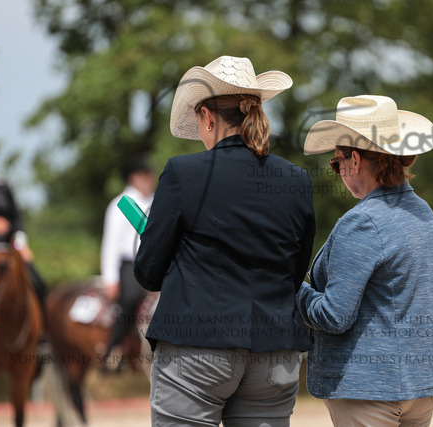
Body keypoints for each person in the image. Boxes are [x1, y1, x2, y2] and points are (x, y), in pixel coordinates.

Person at [133, 55, 316, 426]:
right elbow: (295, 272)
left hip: (196, 347)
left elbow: (149, 273)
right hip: (274, 350)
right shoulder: (296, 179)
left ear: (207, 116)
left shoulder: (183, 173)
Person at [296, 95, 433, 427]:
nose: (338, 171)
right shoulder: (424, 212)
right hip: (422, 383)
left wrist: (291, 284)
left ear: (354, 160)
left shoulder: (363, 221)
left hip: (368, 387)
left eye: (336, 163)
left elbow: (334, 316)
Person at [0, 133, 47, 306]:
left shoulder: (3, 185)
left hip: (6, 249)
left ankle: (42, 324)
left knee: (38, 283)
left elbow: (16, 217)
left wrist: (20, 244)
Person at [100, 157, 155, 366]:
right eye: (144, 174)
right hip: (131, 265)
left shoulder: (157, 200)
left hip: (158, 263)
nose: (149, 178)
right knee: (130, 298)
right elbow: (111, 243)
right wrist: (110, 278)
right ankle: (114, 350)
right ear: (133, 178)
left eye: (149, 173)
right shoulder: (121, 204)